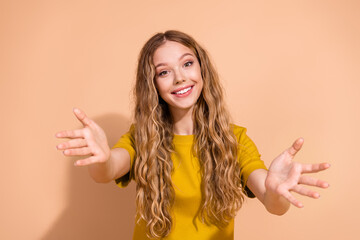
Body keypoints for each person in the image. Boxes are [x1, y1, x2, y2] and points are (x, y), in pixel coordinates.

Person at [55, 30, 330, 240]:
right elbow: (108, 170)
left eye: (187, 64)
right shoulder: (143, 137)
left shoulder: (234, 139)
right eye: (164, 72)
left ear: (202, 70)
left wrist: (275, 190)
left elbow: (273, 203)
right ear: (153, 85)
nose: (179, 78)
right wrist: (100, 158)